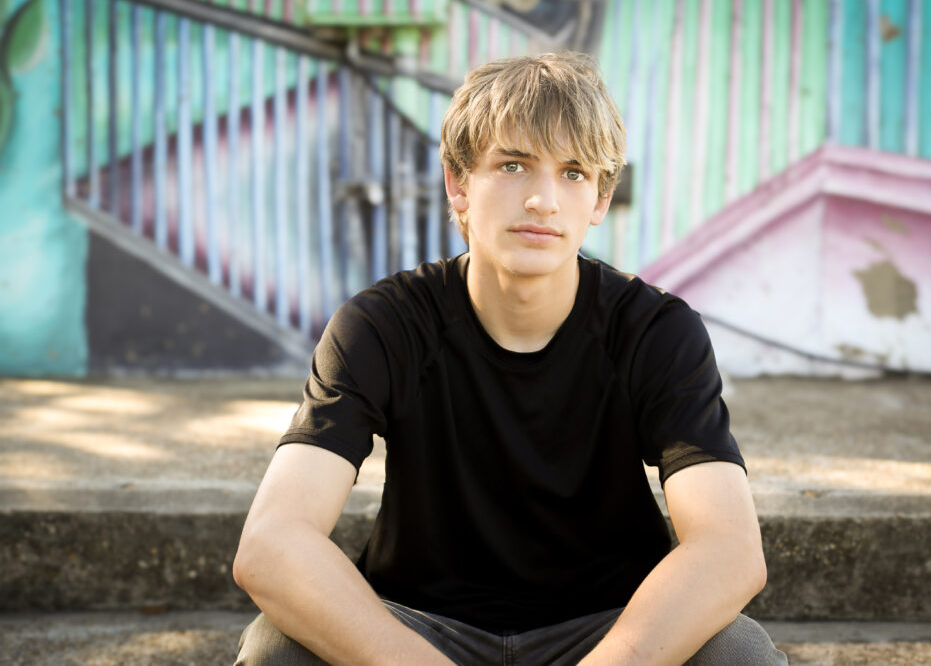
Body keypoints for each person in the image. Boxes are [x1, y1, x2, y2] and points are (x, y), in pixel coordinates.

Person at [233, 52, 787, 665]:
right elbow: (272, 543)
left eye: (573, 172)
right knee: (275, 649)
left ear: (600, 198)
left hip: (610, 631)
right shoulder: (382, 325)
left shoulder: (656, 330)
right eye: (513, 165)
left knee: (739, 652)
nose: (543, 200)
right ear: (459, 183)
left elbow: (729, 550)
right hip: (421, 629)